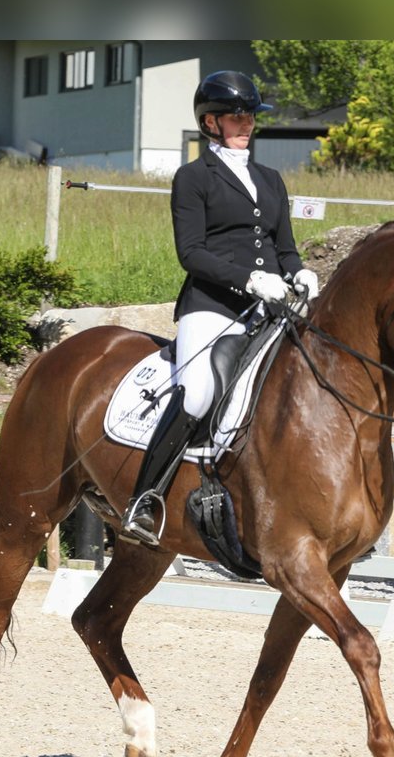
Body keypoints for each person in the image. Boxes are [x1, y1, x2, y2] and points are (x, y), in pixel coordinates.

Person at [120, 70, 320, 546]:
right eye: (236, 115)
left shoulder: (270, 180)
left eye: (249, 115)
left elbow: (283, 247)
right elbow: (191, 252)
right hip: (211, 306)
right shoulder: (192, 179)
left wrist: (299, 272)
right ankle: (146, 499)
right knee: (196, 391)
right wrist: (248, 278)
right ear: (210, 122)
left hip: (268, 308)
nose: (246, 123)